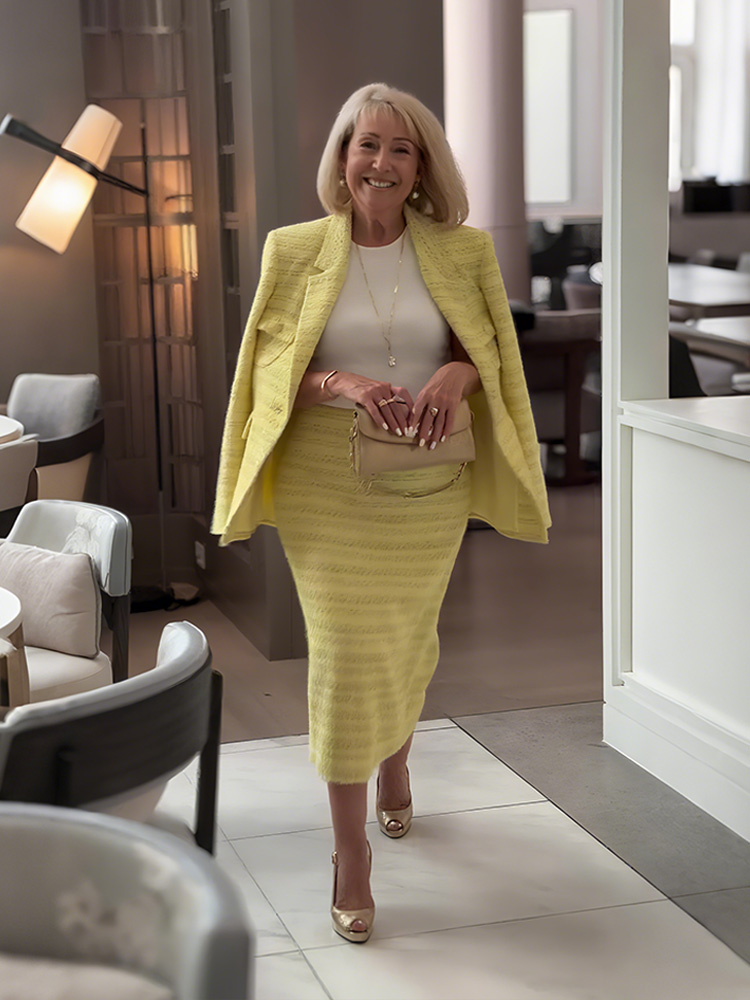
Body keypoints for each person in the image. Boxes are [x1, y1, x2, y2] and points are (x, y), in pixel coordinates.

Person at [213, 83, 551, 943]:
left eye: (401, 148)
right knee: (344, 651)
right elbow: (268, 372)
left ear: (422, 167)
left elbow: (490, 353)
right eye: (367, 144)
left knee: (405, 635)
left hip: (427, 480)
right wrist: (342, 382)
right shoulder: (294, 249)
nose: (382, 162)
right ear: (342, 157)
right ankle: (351, 851)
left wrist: (457, 375)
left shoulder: (465, 251)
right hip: (327, 484)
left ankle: (396, 763)